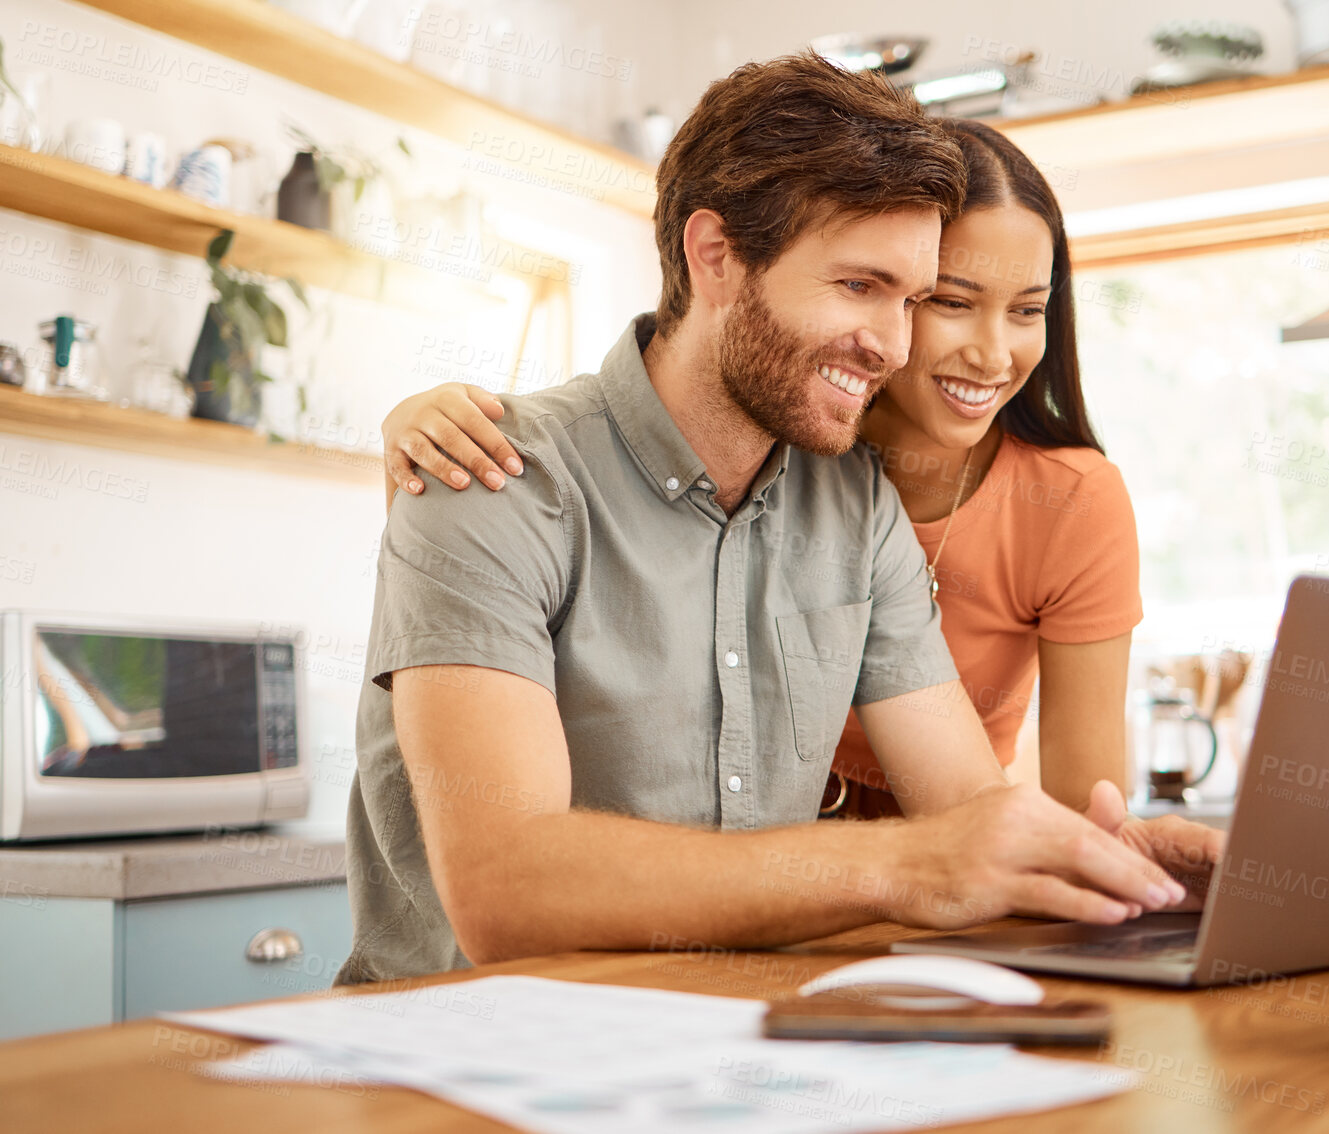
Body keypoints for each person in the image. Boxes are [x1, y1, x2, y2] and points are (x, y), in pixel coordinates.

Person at [341, 53, 1221, 986]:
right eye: (857, 286)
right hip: (460, 1054)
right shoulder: (490, 475)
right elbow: (506, 894)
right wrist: (910, 866)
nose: (892, 344)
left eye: (914, 298)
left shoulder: (854, 508)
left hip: (730, 1042)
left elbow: (967, 814)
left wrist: (1116, 872)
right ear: (714, 255)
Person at [383, 120, 1140, 821]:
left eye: (1027, 309)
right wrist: (426, 439)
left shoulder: (876, 505)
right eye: (941, 300)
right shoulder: (757, 445)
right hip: (775, 890)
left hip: (888, 882)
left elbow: (1038, 811)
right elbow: (511, 869)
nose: (988, 352)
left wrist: (1108, 870)